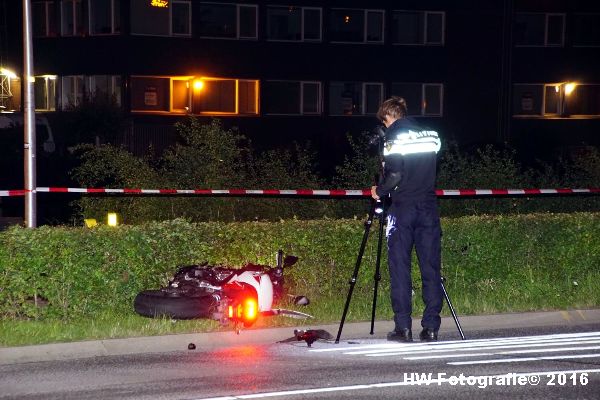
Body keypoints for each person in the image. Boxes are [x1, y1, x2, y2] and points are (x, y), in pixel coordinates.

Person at [370, 96, 443, 342]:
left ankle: (403, 327)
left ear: (388, 117)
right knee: (430, 268)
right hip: (428, 206)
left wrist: (378, 190)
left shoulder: (393, 137)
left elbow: (396, 174)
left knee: (400, 268)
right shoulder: (432, 135)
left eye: (384, 121)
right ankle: (431, 326)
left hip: (403, 208)